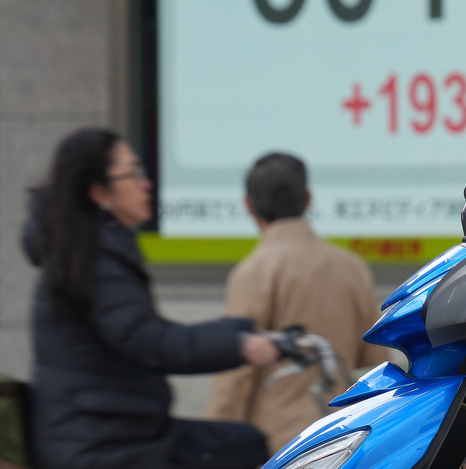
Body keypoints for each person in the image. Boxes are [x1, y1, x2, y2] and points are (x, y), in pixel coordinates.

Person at [21, 127, 281, 469]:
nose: (146, 184)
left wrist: (240, 333)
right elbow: (151, 341)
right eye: (133, 173)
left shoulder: (90, 250)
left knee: (241, 443)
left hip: (116, 433)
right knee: (242, 448)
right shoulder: (94, 261)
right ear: (100, 192)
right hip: (101, 448)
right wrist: (241, 344)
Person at [205, 152, 390, 454]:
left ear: (248, 205)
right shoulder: (352, 268)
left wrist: (214, 451)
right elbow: (375, 364)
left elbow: (235, 378)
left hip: (278, 446)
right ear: (307, 200)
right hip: (345, 442)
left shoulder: (253, 272)